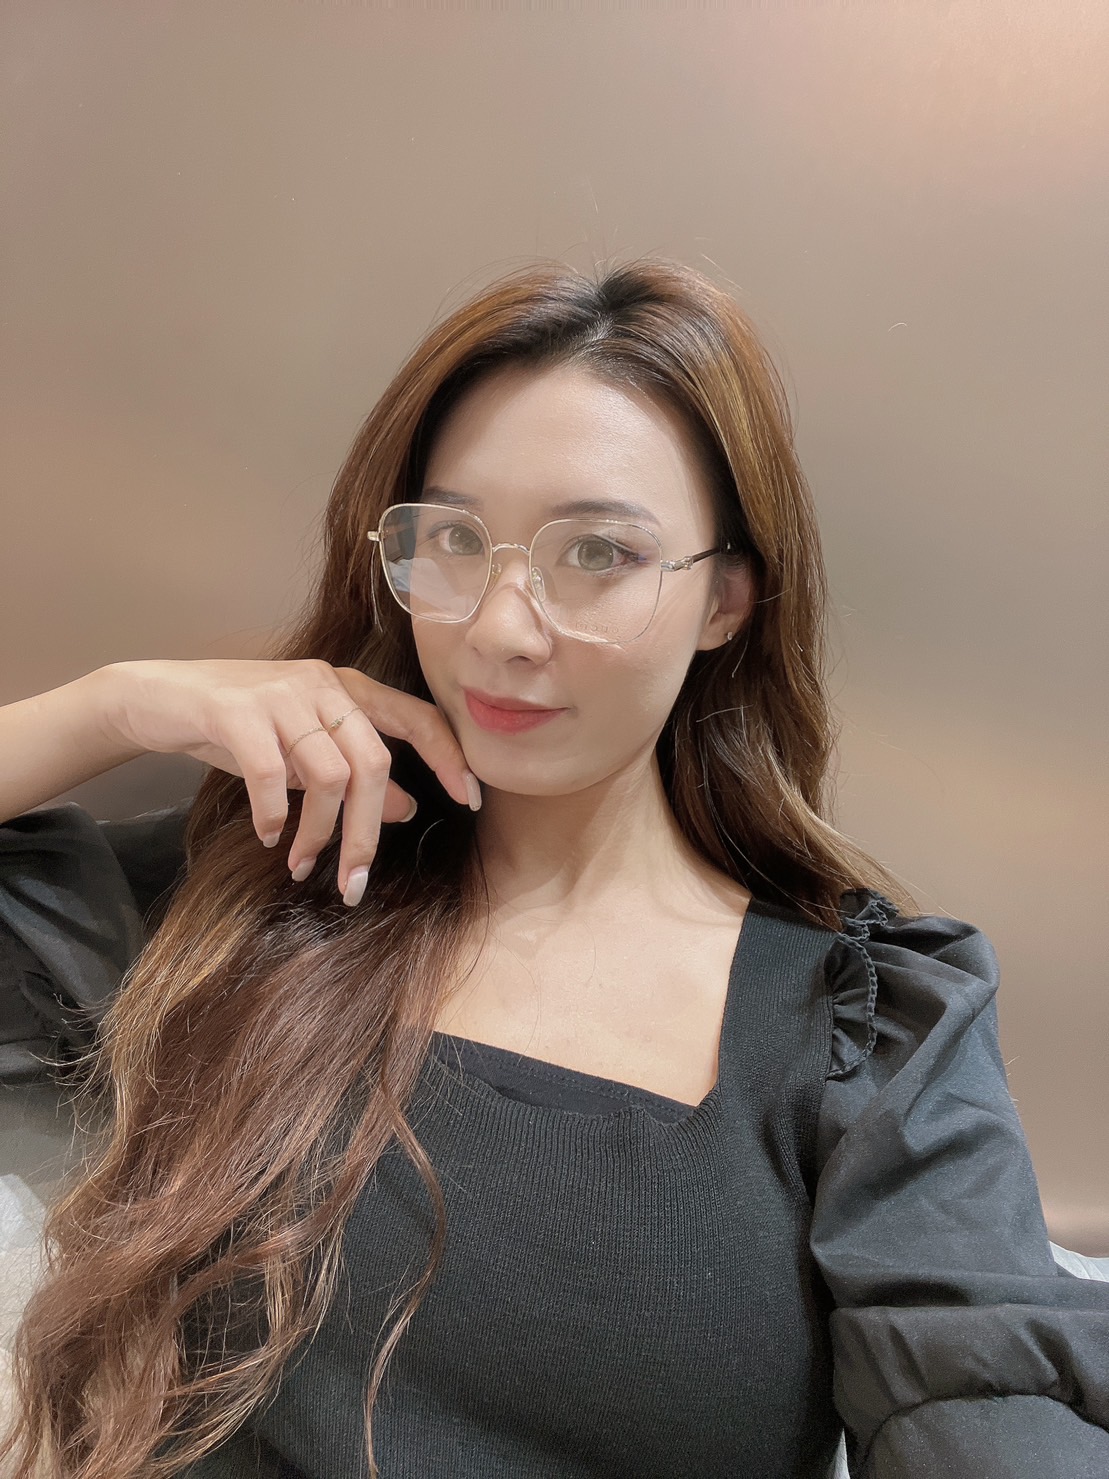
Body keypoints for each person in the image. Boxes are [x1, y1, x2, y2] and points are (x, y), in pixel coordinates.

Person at [0, 258, 1106, 1479]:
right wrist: (116, 706)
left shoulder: (860, 1030)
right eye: (453, 540)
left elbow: (987, 1398)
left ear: (726, 599)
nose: (499, 629)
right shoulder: (258, 890)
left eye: (597, 554)